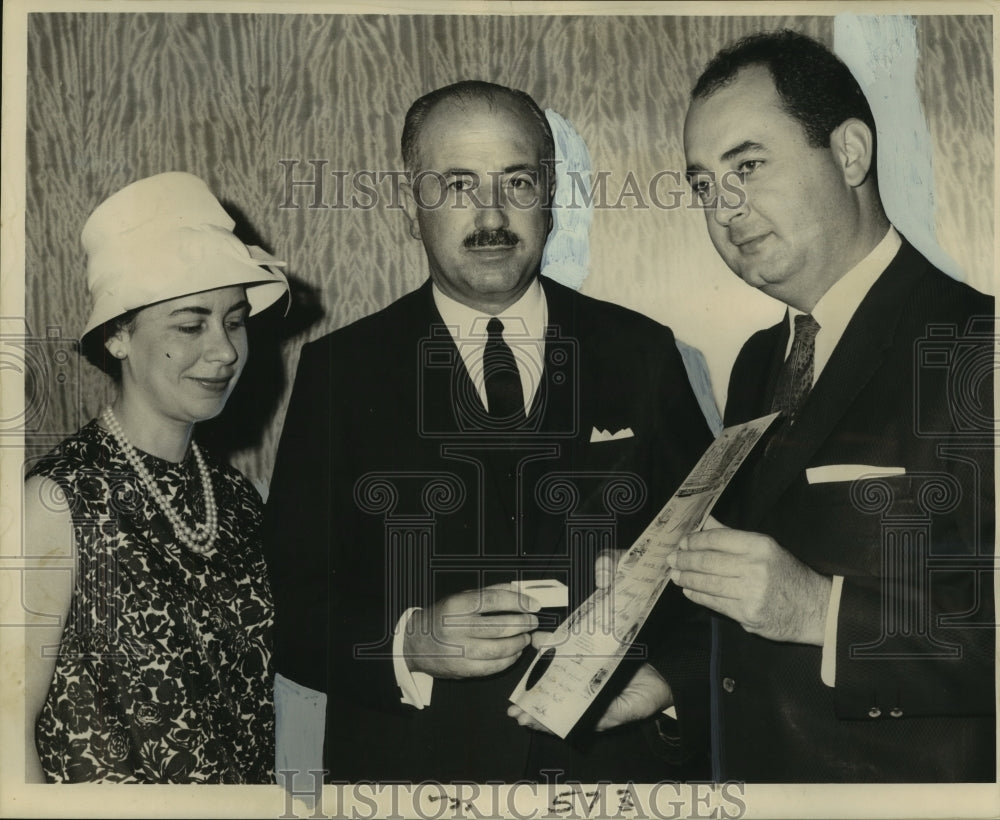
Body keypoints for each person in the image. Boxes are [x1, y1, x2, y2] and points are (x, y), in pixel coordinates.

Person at [264, 80, 715, 783]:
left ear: (551, 193)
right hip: (418, 780)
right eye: (457, 185)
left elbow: (714, 562)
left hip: (615, 773)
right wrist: (409, 642)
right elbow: (285, 602)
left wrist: (664, 685)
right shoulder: (340, 372)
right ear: (410, 201)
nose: (492, 214)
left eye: (517, 181)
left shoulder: (642, 352)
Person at [673, 30, 995, 782]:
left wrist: (820, 614)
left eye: (747, 166)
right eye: (701, 185)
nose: (724, 207)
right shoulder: (761, 358)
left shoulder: (981, 347)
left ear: (850, 154)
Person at [23, 172, 289, 783]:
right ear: (118, 335)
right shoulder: (57, 502)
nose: (224, 351)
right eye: (190, 325)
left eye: (236, 321)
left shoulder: (237, 499)